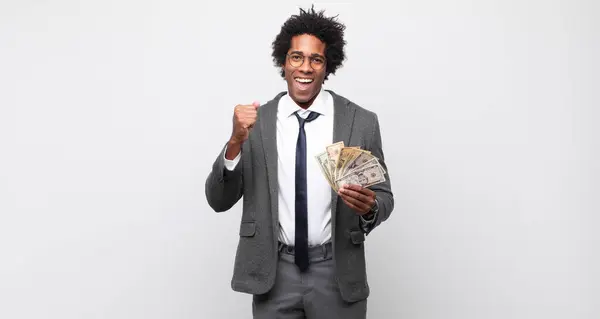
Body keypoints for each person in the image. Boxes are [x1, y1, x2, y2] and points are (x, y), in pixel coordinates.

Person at [205, 6, 394, 319]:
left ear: (326, 65)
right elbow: (218, 200)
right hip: (275, 275)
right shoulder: (256, 123)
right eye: (297, 57)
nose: (305, 68)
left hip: (336, 272)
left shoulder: (360, 122)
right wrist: (235, 141)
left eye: (316, 59)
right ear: (284, 61)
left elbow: (385, 198)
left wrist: (370, 206)